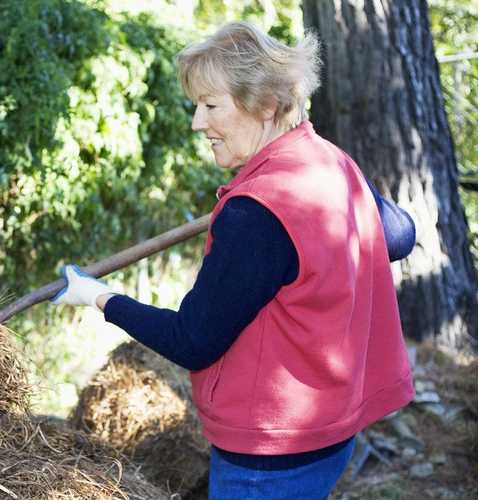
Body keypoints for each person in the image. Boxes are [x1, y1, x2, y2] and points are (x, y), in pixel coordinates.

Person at [51, 21, 416, 499]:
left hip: (268, 455)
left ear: (266, 105)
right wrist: (332, 181)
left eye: (210, 105)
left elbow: (192, 341)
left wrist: (98, 296)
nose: (196, 123)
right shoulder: (329, 162)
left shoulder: (255, 214)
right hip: (331, 433)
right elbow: (400, 235)